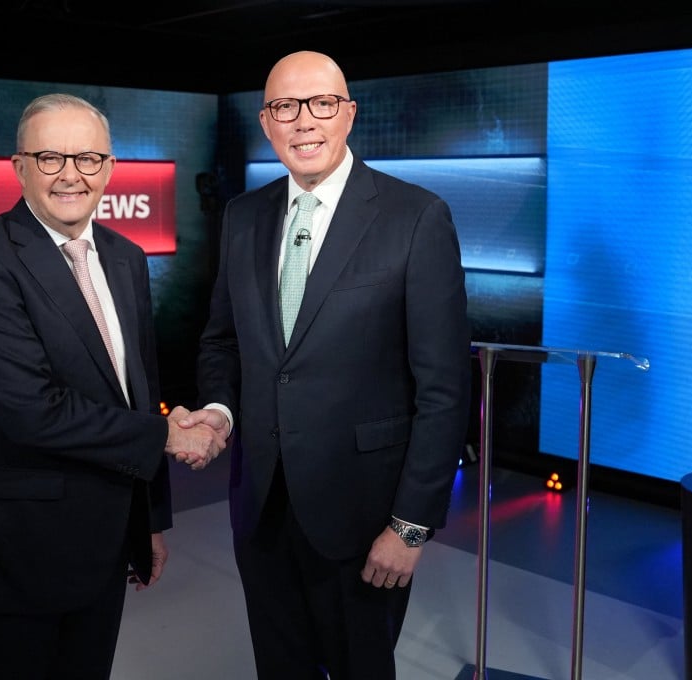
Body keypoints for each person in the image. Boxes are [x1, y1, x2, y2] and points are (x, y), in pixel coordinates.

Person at [177, 51, 472, 679]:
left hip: (367, 518)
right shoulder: (243, 217)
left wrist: (411, 525)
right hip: (262, 510)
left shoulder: (416, 217)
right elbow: (221, 342)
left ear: (349, 115)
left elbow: (444, 389)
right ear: (266, 122)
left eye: (321, 104)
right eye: (285, 107)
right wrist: (220, 411)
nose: (303, 121)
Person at [0, 92, 225, 680]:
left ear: (110, 169)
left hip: (107, 542)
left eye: (88, 159)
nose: (71, 175)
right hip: (16, 554)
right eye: (50, 158)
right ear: (19, 167)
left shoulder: (126, 258)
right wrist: (167, 437)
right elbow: (30, 410)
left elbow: (139, 392)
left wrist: (149, 521)